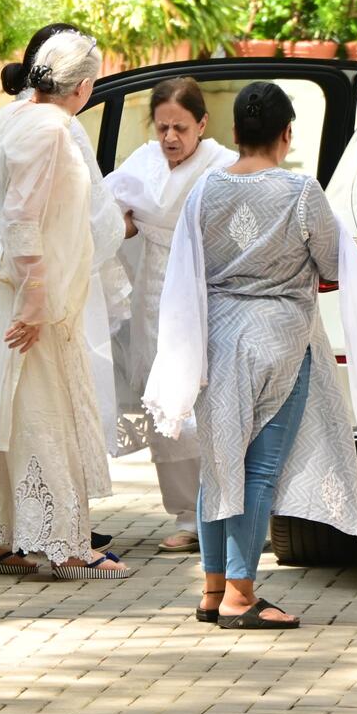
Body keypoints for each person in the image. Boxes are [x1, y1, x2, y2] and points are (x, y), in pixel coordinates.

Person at [143, 82, 357, 629]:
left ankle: (213, 590)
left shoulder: (205, 191)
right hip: (280, 341)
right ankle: (241, 594)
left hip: (214, 341)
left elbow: (186, 270)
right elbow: (331, 264)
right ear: (287, 135)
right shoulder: (301, 192)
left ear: (232, 134)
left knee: (219, 462)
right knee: (259, 470)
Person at [0, 28, 130, 579]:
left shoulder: (10, 117)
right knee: (44, 409)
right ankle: (65, 544)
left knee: (5, 411)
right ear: (85, 85)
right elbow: (22, 219)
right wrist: (36, 297)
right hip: (21, 289)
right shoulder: (52, 129)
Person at [106, 78, 236, 553]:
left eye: (181, 127)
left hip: (202, 289)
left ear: (202, 124)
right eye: (162, 127)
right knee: (161, 399)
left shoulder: (221, 165)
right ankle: (186, 512)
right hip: (151, 291)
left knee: (207, 399)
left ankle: (227, 510)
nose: (170, 138)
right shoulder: (143, 161)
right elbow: (113, 215)